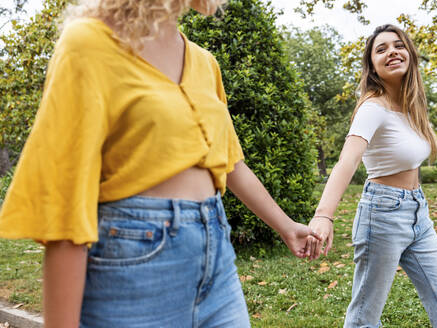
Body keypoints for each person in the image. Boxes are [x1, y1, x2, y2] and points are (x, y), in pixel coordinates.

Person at [0, 0, 319, 327]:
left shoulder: (204, 62)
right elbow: (65, 203)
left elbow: (228, 162)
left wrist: (286, 227)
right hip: (133, 268)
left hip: (217, 263)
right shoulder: (88, 44)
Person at [304, 24, 437, 328]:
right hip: (381, 216)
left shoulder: (412, 109)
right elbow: (348, 160)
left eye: (398, 45)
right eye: (381, 49)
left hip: (418, 215)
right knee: (363, 320)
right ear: (372, 66)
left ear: (409, 54)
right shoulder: (372, 108)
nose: (392, 52)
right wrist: (324, 216)